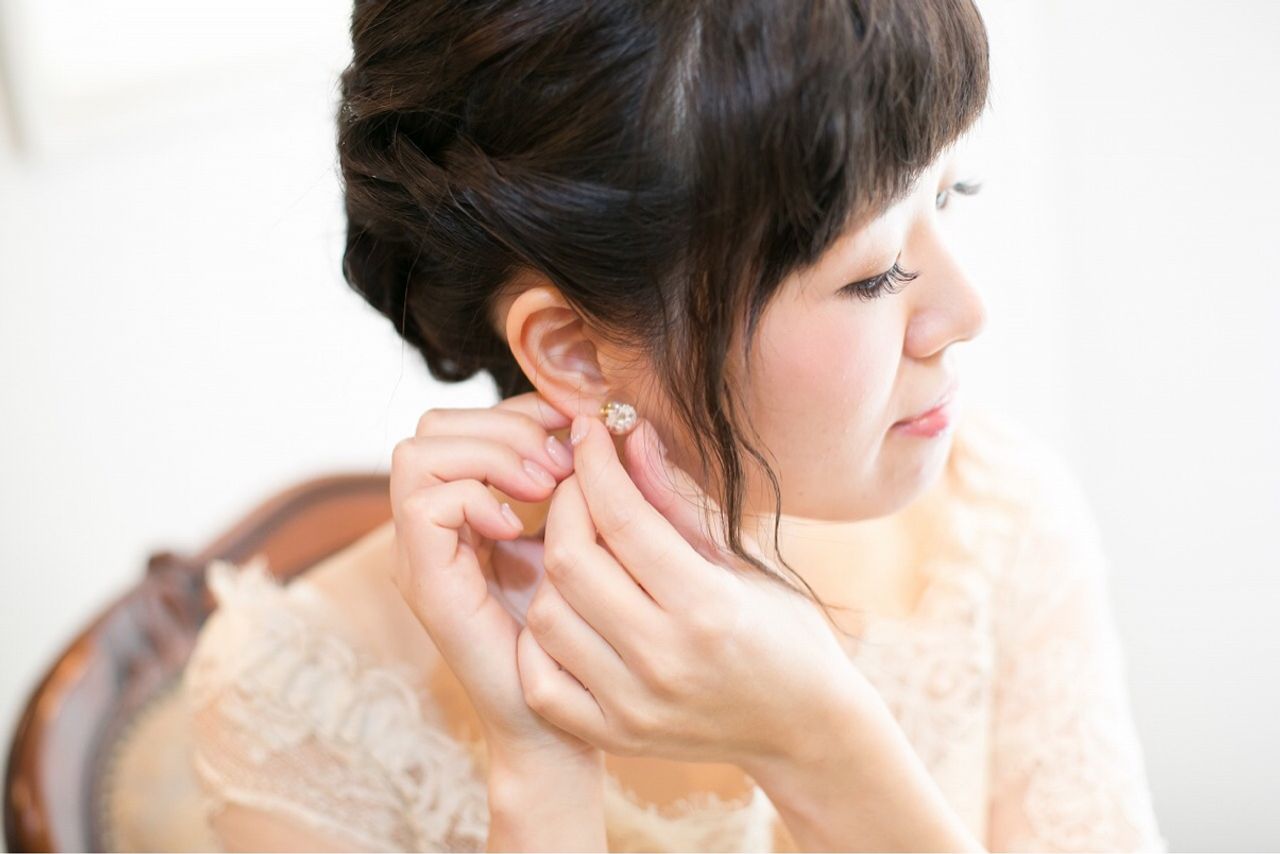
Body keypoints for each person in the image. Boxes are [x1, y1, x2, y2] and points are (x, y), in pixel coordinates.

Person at [180, 0, 1169, 851]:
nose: (967, 310)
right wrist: (537, 768)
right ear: (574, 351)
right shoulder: (301, 696)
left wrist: (824, 744)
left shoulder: (995, 517)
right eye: (872, 275)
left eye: (951, 194)